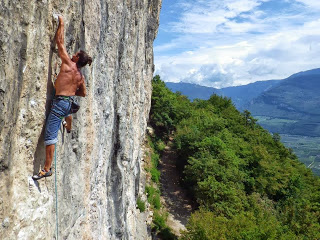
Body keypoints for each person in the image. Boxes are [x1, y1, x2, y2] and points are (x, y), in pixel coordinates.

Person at [33, 16, 92, 180]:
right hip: (67, 104)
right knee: (65, 112)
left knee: (50, 136)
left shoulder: (68, 63)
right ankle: (68, 124)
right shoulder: (80, 76)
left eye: (76, 54)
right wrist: (71, 91)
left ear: (77, 59)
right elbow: (84, 93)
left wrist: (62, 24)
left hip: (60, 104)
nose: (72, 54)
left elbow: (59, 42)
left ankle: (47, 169)